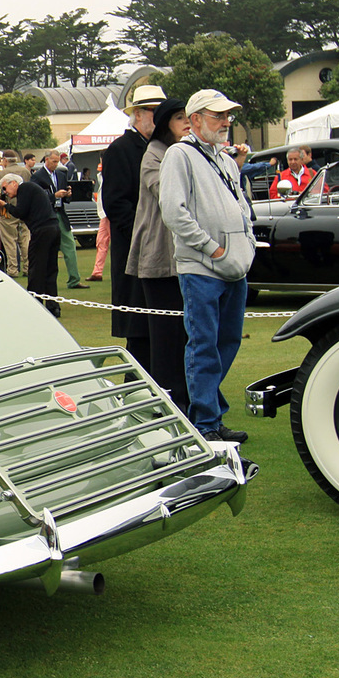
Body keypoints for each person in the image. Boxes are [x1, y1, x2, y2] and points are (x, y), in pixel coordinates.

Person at [159, 89, 255, 444]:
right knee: (204, 344)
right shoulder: (179, 155)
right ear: (195, 119)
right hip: (202, 267)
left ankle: (210, 411)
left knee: (226, 342)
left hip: (233, 266)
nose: (226, 122)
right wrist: (212, 249)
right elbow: (173, 211)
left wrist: (245, 247)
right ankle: (205, 422)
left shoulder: (226, 159)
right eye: (217, 116)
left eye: (228, 115)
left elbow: (242, 206)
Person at [126, 98, 191, 413]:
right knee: (165, 338)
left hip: (183, 259)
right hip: (159, 258)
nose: (188, 124)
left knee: (184, 335)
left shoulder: (179, 153)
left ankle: (187, 399)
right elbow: (169, 195)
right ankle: (170, 401)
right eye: (181, 119)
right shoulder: (155, 155)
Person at [102, 84, 162, 368]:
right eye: (154, 111)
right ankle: (135, 392)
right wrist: (144, 238)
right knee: (140, 332)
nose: (159, 117)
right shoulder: (121, 149)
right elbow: (116, 205)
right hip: (134, 253)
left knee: (161, 329)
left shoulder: (165, 148)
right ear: (137, 114)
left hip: (162, 253)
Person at [0, 172, 61, 316]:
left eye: (5, 188)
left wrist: (4, 205)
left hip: (42, 231)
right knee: (50, 268)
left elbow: (20, 212)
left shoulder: (25, 188)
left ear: (14, 183)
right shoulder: (31, 189)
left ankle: (36, 304)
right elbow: (24, 213)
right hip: (53, 228)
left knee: (36, 268)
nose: (5, 192)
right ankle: (53, 305)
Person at [31, 150, 86, 289]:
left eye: (58, 161)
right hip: (46, 217)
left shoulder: (61, 175)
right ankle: (43, 280)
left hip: (60, 215)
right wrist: (54, 195)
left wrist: (67, 194)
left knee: (70, 247)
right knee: (47, 250)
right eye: (54, 161)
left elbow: (66, 198)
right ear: (47, 160)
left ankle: (74, 279)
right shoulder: (37, 177)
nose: (57, 164)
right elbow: (36, 198)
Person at [0, 151, 30, 278]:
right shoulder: (26, 171)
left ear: (5, 160)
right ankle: (28, 267)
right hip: (24, 209)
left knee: (9, 241)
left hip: (7, 211)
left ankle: (12, 269)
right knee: (25, 240)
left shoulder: (2, 174)